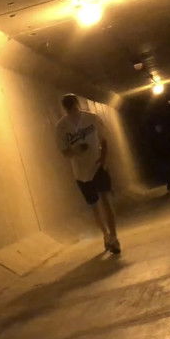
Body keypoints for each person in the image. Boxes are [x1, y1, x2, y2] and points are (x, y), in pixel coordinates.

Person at [55, 93, 121, 254]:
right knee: (94, 205)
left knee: (105, 201)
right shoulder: (61, 126)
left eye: (71, 104)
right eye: (68, 105)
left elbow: (104, 139)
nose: (71, 107)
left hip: (97, 166)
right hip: (80, 172)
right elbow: (64, 152)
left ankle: (113, 237)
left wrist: (103, 158)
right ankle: (106, 235)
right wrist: (76, 150)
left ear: (76, 103)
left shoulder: (92, 118)